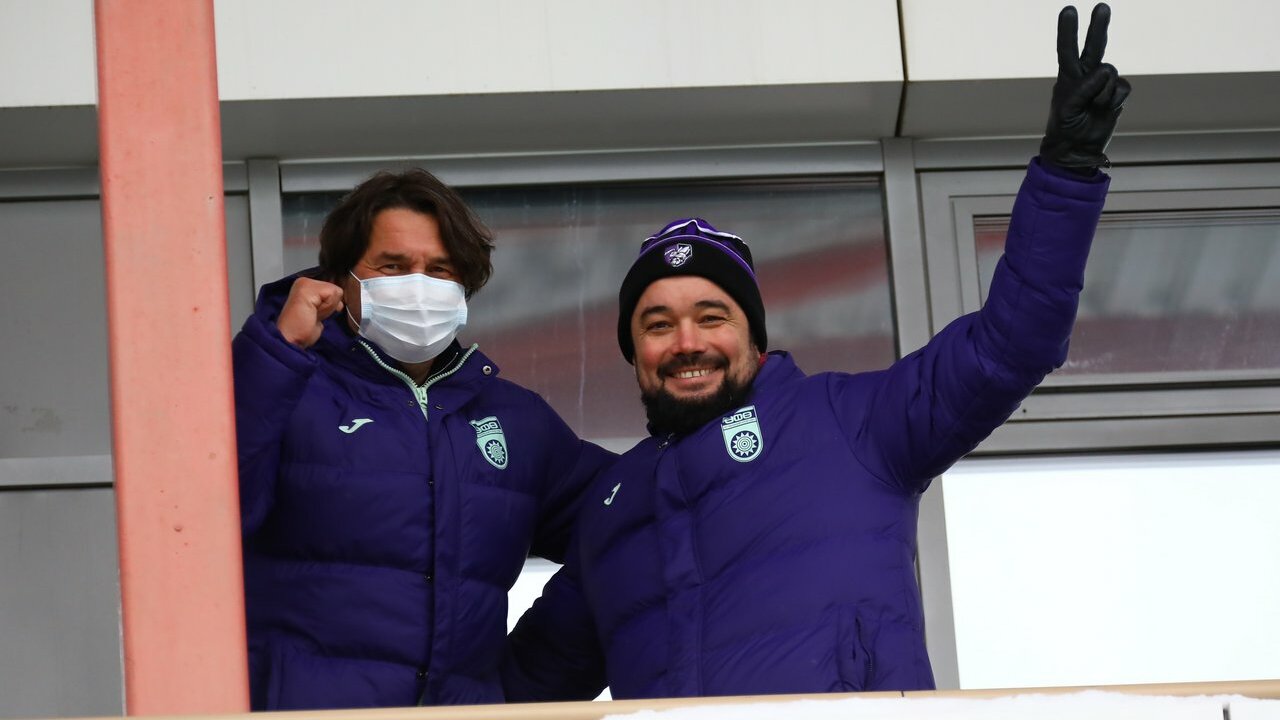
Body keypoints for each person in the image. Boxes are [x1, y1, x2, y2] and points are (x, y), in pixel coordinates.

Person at [503, 3, 1130, 700]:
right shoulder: (613, 508)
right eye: (657, 324)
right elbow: (511, 694)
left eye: (712, 316)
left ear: (754, 337)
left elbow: (1013, 343)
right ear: (634, 352)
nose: (687, 342)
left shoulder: (850, 421)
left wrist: (1067, 172)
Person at [231, 168, 614, 710]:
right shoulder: (283, 387)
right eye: (393, 266)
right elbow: (201, 519)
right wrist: (278, 351)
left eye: (439, 269)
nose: (419, 285)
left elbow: (633, 524)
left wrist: (524, 689)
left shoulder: (517, 420)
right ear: (340, 279)